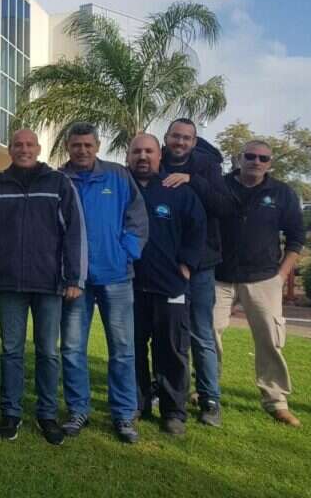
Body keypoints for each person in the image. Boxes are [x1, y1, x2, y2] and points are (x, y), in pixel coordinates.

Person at [0, 129, 86, 446]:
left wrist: (73, 278)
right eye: (17, 145)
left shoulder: (59, 183)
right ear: (10, 149)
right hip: (9, 282)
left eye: (29, 145)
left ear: (39, 149)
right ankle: (11, 412)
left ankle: (47, 414)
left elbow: (74, 233)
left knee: (48, 352)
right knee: (11, 351)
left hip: (48, 283)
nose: (23, 149)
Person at [59, 122, 147, 444]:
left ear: (97, 146)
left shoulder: (118, 176)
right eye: (76, 145)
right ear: (68, 147)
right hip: (75, 281)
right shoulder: (59, 179)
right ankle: (77, 410)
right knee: (72, 349)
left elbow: (137, 218)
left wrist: (126, 252)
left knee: (122, 350)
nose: (82, 150)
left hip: (116, 277)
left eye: (88, 145)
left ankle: (123, 414)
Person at [213, 140, 305, 427]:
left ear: (270, 163)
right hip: (219, 277)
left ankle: (276, 401)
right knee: (207, 335)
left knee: (270, 340)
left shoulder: (282, 193)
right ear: (239, 158)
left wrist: (281, 277)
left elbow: (296, 239)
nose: (256, 161)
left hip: (264, 279)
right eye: (250, 156)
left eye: (263, 158)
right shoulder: (220, 186)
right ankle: (206, 391)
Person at [127, 134, 206, 437]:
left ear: (159, 155)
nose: (142, 156)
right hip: (130, 285)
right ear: (128, 156)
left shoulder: (178, 190)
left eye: (148, 151)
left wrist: (186, 266)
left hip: (171, 285)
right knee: (132, 349)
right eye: (137, 151)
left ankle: (173, 412)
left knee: (172, 351)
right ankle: (137, 404)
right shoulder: (121, 188)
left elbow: (197, 230)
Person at [161, 118, 231, 427]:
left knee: (202, 332)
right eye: (175, 136)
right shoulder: (156, 161)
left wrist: (192, 180)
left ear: (194, 141)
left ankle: (209, 398)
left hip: (201, 265)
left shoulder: (208, 167)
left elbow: (224, 207)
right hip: (165, 265)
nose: (180, 142)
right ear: (166, 137)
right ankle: (164, 389)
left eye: (186, 138)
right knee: (166, 332)